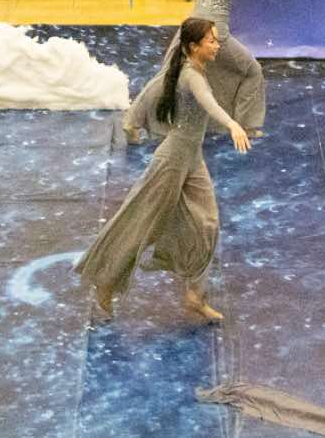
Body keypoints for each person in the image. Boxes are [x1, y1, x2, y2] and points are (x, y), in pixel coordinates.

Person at [78, 17, 248, 323]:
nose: (216, 45)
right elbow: (208, 103)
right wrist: (232, 123)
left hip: (192, 160)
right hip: (171, 162)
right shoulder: (191, 77)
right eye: (211, 41)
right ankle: (106, 281)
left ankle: (195, 296)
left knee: (208, 223)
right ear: (193, 47)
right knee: (142, 222)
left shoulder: (191, 68)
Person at [121, 0, 325, 141]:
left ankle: (132, 122)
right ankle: (248, 126)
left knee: (167, 75)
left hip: (191, 26)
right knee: (252, 70)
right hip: (213, 31)